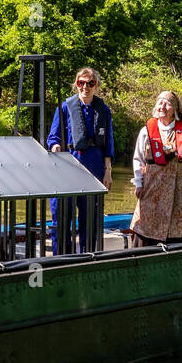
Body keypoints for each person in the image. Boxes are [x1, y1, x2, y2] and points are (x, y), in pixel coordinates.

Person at [46, 67, 114, 252]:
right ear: (76, 84)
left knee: (91, 218)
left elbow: (108, 143)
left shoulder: (103, 110)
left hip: (94, 167)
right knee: (61, 216)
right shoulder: (65, 107)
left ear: (96, 86)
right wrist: (55, 147)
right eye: (81, 83)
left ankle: (88, 255)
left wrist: (108, 171)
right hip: (68, 165)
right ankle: (61, 258)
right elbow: (53, 137)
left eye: (90, 83)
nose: (86, 87)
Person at [130, 90, 182, 247]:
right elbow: (138, 159)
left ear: (174, 109)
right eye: (160, 102)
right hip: (151, 188)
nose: (163, 106)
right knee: (147, 223)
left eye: (167, 103)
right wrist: (139, 183)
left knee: (175, 226)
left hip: (177, 189)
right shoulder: (146, 131)